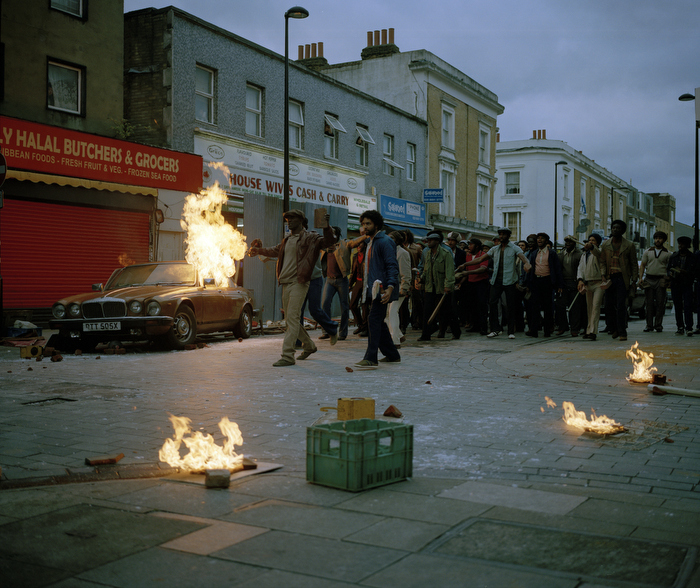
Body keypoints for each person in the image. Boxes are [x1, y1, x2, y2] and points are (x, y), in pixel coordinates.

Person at [248, 209, 337, 366]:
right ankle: (309, 345)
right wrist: (258, 250)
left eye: (292, 219)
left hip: (299, 282)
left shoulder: (310, 237)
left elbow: (329, 242)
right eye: (287, 219)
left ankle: (288, 355)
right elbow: (274, 251)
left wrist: (326, 227)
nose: (289, 222)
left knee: (294, 317)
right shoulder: (287, 240)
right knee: (290, 319)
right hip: (286, 283)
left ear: (301, 221)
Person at [463, 227, 531, 339]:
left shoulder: (514, 248)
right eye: (500, 234)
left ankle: (511, 331)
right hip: (496, 281)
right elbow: (480, 259)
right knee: (492, 303)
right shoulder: (495, 249)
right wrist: (465, 264)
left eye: (504, 234)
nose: (501, 236)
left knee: (510, 306)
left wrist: (527, 264)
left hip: (509, 281)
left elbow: (523, 257)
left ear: (508, 236)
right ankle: (495, 329)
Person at [354, 210, 400, 368]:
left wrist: (390, 287)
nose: (365, 227)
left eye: (368, 223)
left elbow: (392, 266)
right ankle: (392, 355)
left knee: (373, 320)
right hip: (374, 290)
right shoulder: (370, 242)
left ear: (377, 225)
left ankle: (371, 357)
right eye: (363, 224)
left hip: (382, 289)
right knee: (378, 321)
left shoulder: (385, 241)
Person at [416, 231, 460, 341]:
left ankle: (456, 332)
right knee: (427, 311)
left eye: (430, 240)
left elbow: (450, 271)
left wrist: (448, 285)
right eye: (428, 240)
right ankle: (425, 335)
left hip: (442, 287)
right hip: (430, 287)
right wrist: (421, 279)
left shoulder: (446, 253)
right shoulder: (427, 253)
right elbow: (426, 270)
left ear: (437, 241)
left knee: (448, 311)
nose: (428, 242)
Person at [599, 219, 638, 342]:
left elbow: (634, 264)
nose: (615, 230)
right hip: (610, 278)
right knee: (609, 305)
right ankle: (613, 328)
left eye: (618, 228)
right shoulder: (605, 244)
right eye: (613, 228)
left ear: (623, 231)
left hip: (622, 278)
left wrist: (634, 280)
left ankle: (622, 331)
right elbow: (602, 262)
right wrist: (603, 274)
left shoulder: (629, 245)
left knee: (621, 305)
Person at [524, 232, 563, 338]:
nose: (539, 240)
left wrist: (559, 284)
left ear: (546, 241)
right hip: (536, 281)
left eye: (542, 238)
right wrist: (529, 284)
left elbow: (557, 269)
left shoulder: (552, 253)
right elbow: (531, 269)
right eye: (538, 238)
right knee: (534, 307)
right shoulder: (534, 253)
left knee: (547, 307)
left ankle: (547, 330)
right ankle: (534, 330)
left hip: (547, 281)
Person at [319, 226, 351, 341]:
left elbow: (353, 243)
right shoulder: (325, 246)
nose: (331, 236)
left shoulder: (343, 244)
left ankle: (343, 333)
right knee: (325, 304)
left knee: (345, 307)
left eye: (333, 233)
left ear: (337, 235)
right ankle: (327, 331)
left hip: (342, 280)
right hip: (329, 280)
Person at [639, 231, 671, 333]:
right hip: (649, 278)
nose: (658, 240)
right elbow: (642, 265)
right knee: (649, 303)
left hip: (661, 279)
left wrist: (669, 280)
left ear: (664, 240)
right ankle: (649, 325)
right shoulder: (648, 251)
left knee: (660, 303)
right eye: (656, 238)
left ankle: (658, 325)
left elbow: (670, 268)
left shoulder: (668, 253)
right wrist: (640, 278)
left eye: (660, 238)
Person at [667, 235, 699, 336]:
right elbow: (668, 268)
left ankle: (688, 327)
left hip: (687, 284)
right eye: (679, 244)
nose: (680, 246)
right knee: (678, 306)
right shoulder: (674, 256)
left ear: (687, 245)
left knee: (688, 306)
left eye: (682, 244)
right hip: (676, 284)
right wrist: (670, 273)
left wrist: (684, 272)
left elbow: (695, 272)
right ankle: (680, 327)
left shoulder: (692, 257)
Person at [459, 237, 489, 335]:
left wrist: (468, 272)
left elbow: (483, 269)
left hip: (481, 283)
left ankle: (483, 327)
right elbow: (466, 272)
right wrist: (461, 282)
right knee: (472, 305)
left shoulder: (483, 255)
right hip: (470, 283)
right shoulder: (468, 256)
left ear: (477, 246)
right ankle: (475, 325)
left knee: (482, 305)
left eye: (471, 244)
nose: (469, 246)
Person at [577, 233, 605, 341]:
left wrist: (592, 247)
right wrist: (580, 279)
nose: (590, 242)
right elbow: (580, 268)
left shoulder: (599, 252)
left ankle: (593, 331)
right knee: (589, 308)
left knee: (595, 307)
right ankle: (588, 330)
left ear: (597, 243)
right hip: (588, 283)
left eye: (593, 240)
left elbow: (596, 252)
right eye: (589, 240)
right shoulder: (584, 254)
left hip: (598, 283)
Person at [557, 235, 586, 336]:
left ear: (575, 243)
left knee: (574, 307)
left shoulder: (580, 254)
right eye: (567, 242)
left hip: (575, 282)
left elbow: (582, 269)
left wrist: (580, 281)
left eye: (571, 242)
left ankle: (574, 328)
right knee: (560, 305)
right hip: (563, 283)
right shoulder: (561, 254)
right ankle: (562, 326)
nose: (568, 244)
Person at [386, 231, 411, 347]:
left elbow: (405, 273)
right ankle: (399, 336)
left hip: (399, 286)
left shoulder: (402, 253)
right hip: (389, 286)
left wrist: (404, 288)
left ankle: (395, 340)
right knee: (387, 314)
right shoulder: (389, 251)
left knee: (392, 312)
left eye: (392, 238)